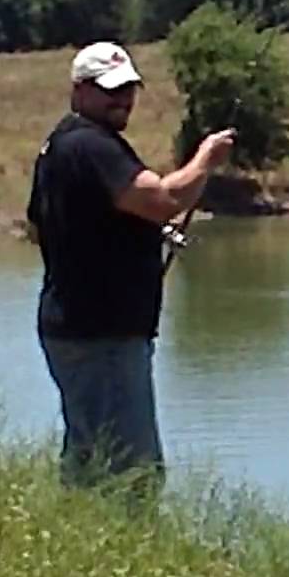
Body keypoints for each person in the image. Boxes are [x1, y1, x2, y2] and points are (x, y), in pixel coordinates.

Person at [26, 41, 236, 495]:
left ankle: (74, 534)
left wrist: (122, 238)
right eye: (109, 90)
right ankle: (123, 536)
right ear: (79, 90)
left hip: (76, 326)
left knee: (89, 459)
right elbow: (163, 199)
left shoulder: (60, 144)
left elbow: (41, 226)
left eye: (127, 90)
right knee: (132, 473)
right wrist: (206, 158)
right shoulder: (91, 145)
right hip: (101, 335)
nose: (121, 100)